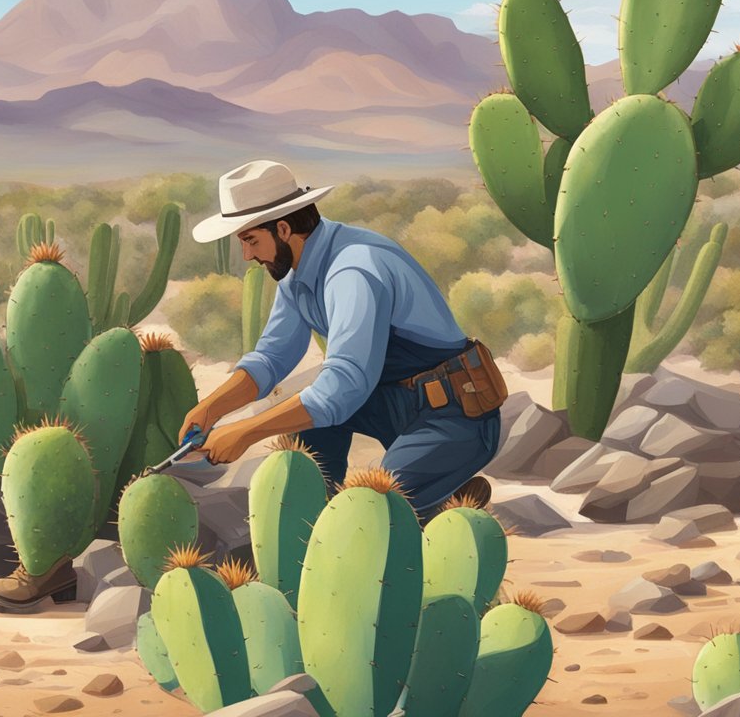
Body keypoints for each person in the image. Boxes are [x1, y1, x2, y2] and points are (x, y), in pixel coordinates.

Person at [180, 159, 505, 524]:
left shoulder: (354, 268)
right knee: (309, 427)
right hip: (392, 403)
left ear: (284, 228)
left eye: (251, 240)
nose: (247, 256)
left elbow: (345, 384)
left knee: (375, 509)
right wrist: (211, 408)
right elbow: (272, 357)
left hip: (454, 417)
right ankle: (318, 525)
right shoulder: (296, 271)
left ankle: (433, 503)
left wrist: (245, 432)